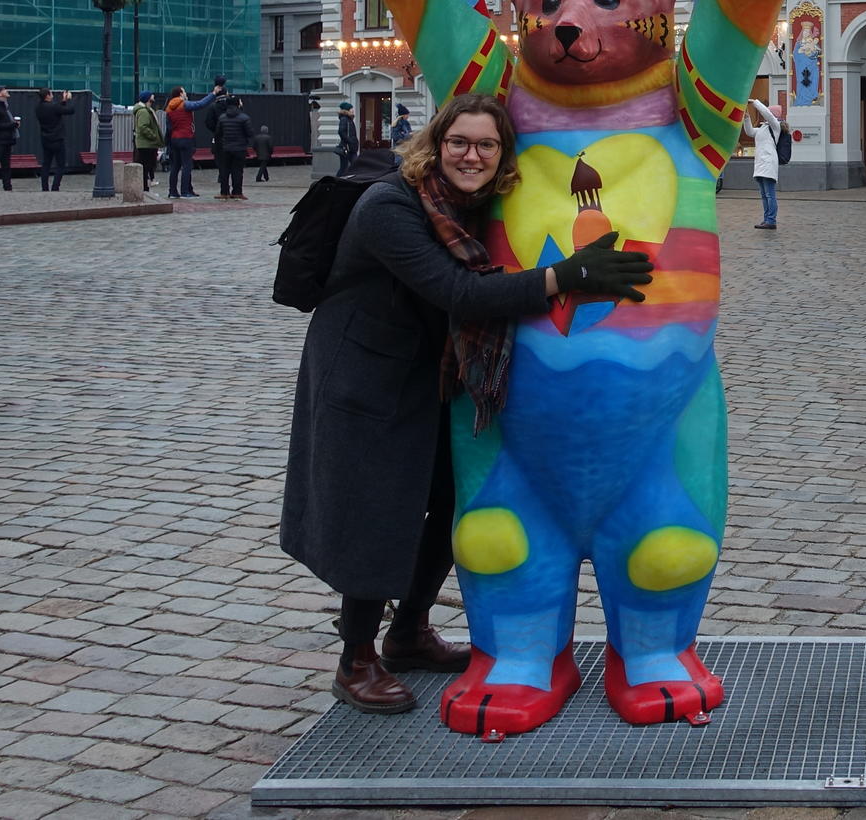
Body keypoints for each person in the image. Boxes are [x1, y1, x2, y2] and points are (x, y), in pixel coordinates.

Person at [280, 93, 653, 715]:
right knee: (378, 510)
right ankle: (356, 659)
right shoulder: (390, 206)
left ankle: (409, 632)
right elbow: (458, 290)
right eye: (460, 143)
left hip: (429, 374)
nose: (471, 155)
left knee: (450, 500)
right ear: (436, 144)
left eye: (486, 145)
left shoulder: (467, 205)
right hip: (364, 379)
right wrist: (570, 275)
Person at [165, 85, 216, 199]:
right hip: (186, 137)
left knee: (175, 167)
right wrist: (213, 94)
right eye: (184, 92)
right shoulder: (184, 104)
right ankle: (185, 191)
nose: (186, 94)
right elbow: (200, 104)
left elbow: (169, 128)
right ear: (180, 94)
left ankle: (172, 192)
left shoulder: (168, 108)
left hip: (174, 139)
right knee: (187, 165)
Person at [748, 99, 783, 230]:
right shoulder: (763, 128)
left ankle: (771, 220)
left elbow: (767, 113)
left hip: (768, 163)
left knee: (769, 194)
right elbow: (750, 132)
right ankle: (766, 218)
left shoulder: (775, 126)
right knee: (764, 195)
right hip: (760, 164)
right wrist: (746, 118)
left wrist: (755, 102)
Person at [215, 94, 254, 200]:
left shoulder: (222, 117)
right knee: (238, 171)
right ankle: (237, 192)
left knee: (224, 170)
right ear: (238, 104)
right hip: (240, 148)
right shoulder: (244, 118)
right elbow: (250, 133)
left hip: (226, 147)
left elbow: (218, 133)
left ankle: (224, 192)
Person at [34, 90, 70, 192]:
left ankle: (44, 188)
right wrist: (67, 100)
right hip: (57, 138)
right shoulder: (53, 107)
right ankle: (55, 187)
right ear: (48, 96)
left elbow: (57, 109)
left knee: (46, 164)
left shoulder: (38, 108)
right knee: (60, 164)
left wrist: (63, 101)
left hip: (45, 138)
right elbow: (69, 110)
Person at [131, 93, 163, 192]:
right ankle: (144, 189)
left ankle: (144, 188)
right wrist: (153, 136)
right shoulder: (144, 112)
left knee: (145, 168)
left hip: (145, 144)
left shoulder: (142, 111)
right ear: (148, 100)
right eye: (151, 99)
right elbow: (143, 127)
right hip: (146, 144)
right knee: (145, 168)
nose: (153, 101)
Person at [336, 102, 360, 176]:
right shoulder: (344, 119)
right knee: (344, 167)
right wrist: (350, 141)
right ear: (347, 110)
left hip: (351, 148)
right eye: (351, 108)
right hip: (347, 148)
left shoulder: (349, 119)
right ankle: (336, 181)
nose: (353, 110)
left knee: (353, 166)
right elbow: (341, 132)